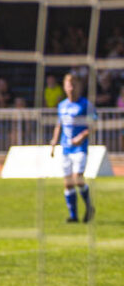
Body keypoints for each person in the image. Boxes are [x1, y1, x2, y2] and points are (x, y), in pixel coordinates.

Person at [50, 74, 96, 223]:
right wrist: (53, 142)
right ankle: (73, 216)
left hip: (80, 148)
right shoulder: (62, 105)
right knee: (67, 182)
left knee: (78, 178)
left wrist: (82, 136)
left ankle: (89, 206)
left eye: (74, 85)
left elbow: (93, 125)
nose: (71, 88)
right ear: (64, 87)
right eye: (68, 85)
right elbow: (59, 125)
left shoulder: (85, 105)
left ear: (79, 87)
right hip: (65, 148)